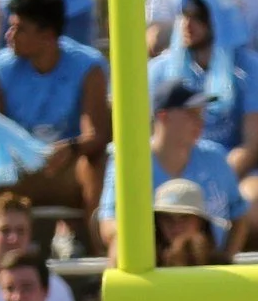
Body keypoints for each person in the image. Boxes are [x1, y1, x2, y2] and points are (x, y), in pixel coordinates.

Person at [0, 0, 109, 219]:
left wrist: (70, 147)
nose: (8, 35)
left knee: (96, 164)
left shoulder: (89, 67)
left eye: (19, 29)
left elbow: (96, 135)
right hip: (14, 171)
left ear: (47, 36)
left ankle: (102, 247)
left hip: (68, 169)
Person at [145, 0, 258, 214]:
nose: (187, 24)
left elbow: (250, 147)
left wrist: (214, 179)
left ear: (220, 20)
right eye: (183, 16)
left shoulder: (250, 69)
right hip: (170, 165)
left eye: (197, 17)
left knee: (257, 204)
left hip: (230, 166)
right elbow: (149, 134)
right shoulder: (158, 70)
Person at [95, 81, 249, 258]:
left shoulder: (215, 157)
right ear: (163, 116)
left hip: (207, 270)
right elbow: (108, 225)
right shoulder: (128, 161)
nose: (200, 121)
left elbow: (239, 217)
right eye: (191, 114)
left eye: (200, 114)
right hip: (151, 270)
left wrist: (224, 260)